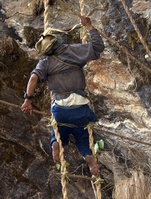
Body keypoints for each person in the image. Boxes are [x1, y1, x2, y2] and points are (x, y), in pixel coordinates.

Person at [21, 16, 105, 176]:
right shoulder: (72, 50)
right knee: (82, 136)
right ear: (58, 42)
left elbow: (33, 78)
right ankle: (89, 157)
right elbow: (98, 46)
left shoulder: (45, 62)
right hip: (80, 108)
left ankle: (56, 144)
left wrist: (27, 100)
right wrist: (89, 26)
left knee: (58, 130)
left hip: (60, 109)